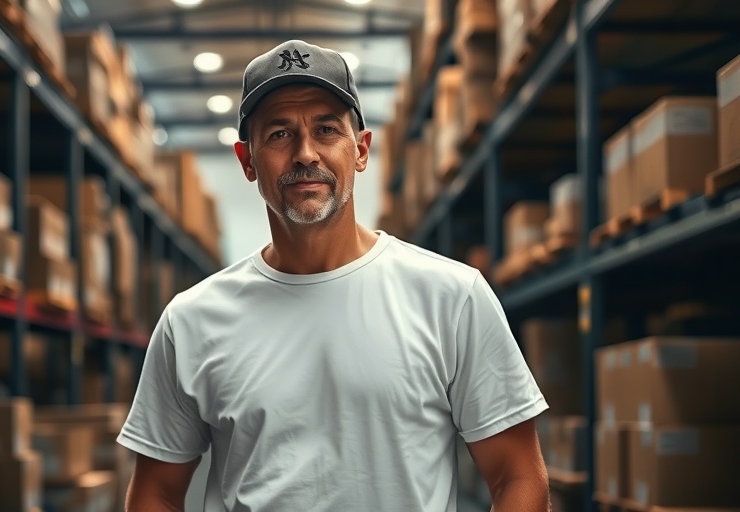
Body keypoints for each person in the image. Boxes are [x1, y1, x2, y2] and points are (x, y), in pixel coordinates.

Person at [118, 39, 551, 512]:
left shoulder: (452, 297)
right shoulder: (192, 321)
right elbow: (155, 493)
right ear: (247, 161)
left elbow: (519, 476)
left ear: (360, 150)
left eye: (326, 129)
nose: (306, 153)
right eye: (280, 134)